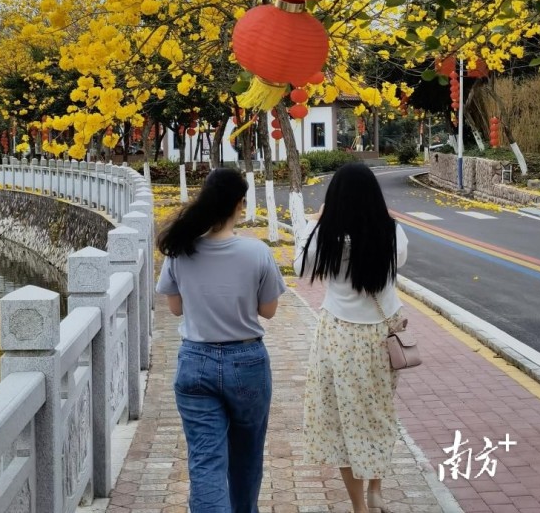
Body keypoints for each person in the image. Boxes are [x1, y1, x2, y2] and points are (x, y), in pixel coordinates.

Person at [156, 167, 286, 513]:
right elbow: (268, 311)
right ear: (240, 204)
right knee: (246, 459)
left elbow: (174, 307)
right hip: (247, 363)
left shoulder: (181, 250)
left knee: (205, 462)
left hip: (195, 362)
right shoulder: (256, 252)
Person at [294, 162, 408, 513]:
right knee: (376, 414)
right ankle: (376, 488)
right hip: (379, 338)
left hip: (339, 336)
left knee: (344, 421)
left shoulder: (323, 236)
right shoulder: (391, 232)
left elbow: (301, 270)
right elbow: (399, 261)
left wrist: (314, 221)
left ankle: (360, 507)